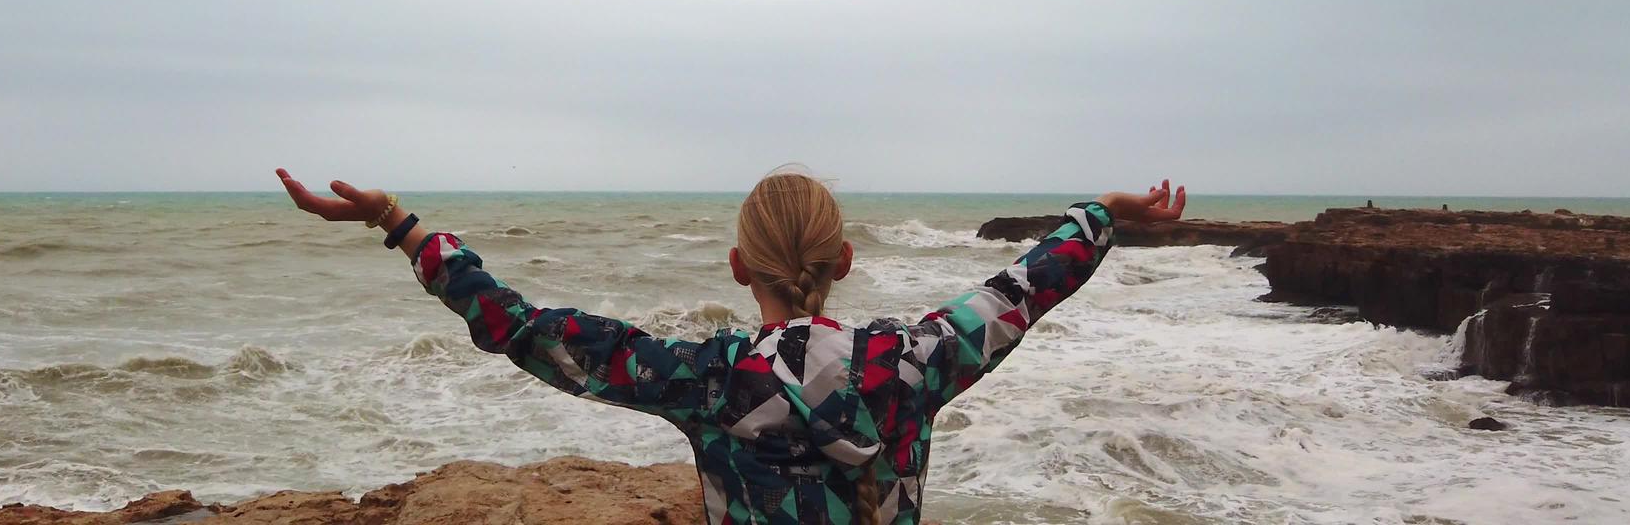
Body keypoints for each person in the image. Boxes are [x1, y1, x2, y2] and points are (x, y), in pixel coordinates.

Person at [278, 166, 1186, 525]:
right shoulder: (915, 361)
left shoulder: (707, 380)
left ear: (736, 265)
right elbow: (1027, 286)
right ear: (844, 260)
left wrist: (399, 225)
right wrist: (1102, 217)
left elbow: (522, 328)